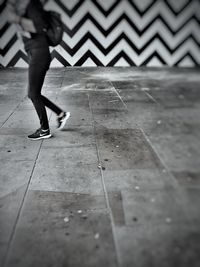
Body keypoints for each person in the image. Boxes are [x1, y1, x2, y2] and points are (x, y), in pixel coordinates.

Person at [6, 0, 70, 140]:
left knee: (33, 94)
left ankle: (45, 130)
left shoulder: (32, 5)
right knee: (34, 93)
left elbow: (38, 26)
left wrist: (16, 19)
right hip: (36, 53)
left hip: (39, 54)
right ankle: (61, 114)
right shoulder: (25, 8)